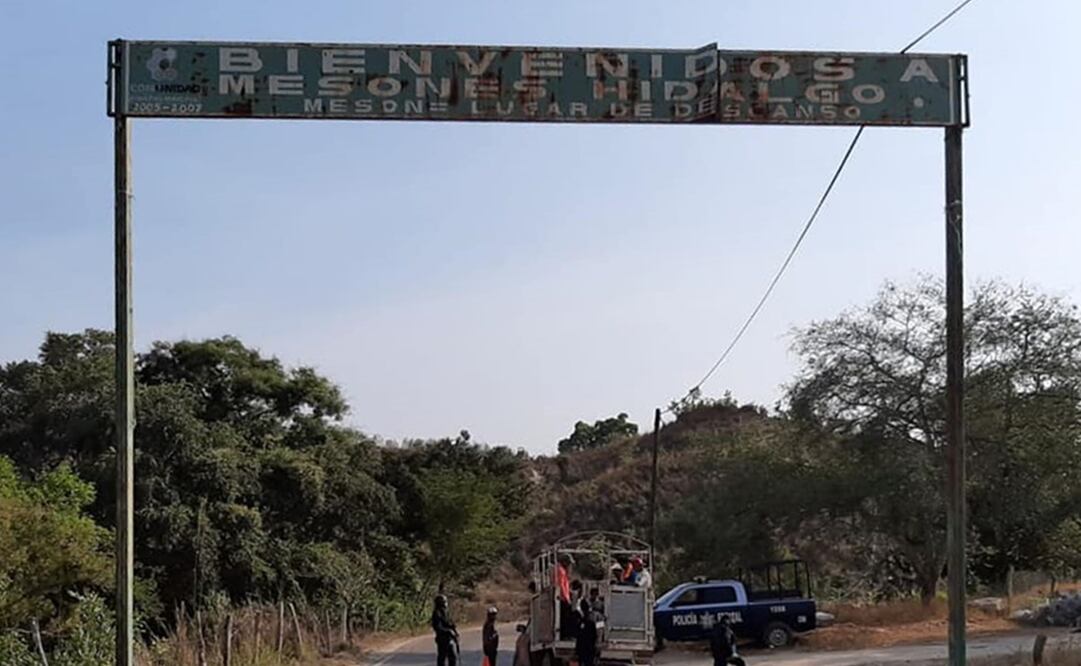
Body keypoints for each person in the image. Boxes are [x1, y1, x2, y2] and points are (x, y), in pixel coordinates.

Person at [431, 595, 459, 666]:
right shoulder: (437, 613)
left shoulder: (446, 612)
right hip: (442, 639)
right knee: (442, 658)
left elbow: (451, 623)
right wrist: (448, 631)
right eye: (444, 602)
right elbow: (438, 627)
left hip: (449, 639)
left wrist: (455, 632)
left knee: (453, 657)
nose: (446, 603)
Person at [575, 598, 598, 666]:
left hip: (584, 649)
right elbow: (594, 636)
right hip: (588, 649)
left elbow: (578, 635)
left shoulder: (581, 620)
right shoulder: (590, 620)